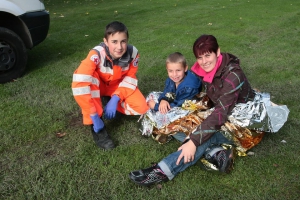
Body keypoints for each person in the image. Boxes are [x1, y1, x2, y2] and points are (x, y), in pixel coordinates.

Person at [129, 34, 255, 186]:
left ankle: (162, 171)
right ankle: (216, 153)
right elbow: (184, 81)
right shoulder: (208, 68)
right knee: (180, 125)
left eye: (207, 55)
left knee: (200, 138)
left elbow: (220, 114)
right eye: (199, 58)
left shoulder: (233, 76)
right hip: (225, 115)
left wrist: (193, 142)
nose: (203, 62)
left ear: (218, 52)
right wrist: (164, 99)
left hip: (242, 127)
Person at [72, 21, 148, 150]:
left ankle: (112, 103)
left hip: (117, 87)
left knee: (141, 108)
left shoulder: (133, 53)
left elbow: (130, 77)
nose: (119, 47)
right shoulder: (96, 54)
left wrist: (116, 98)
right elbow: (80, 84)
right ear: (106, 42)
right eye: (114, 42)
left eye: (123, 41)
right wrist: (93, 115)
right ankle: (98, 129)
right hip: (98, 87)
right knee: (91, 81)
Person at [143, 52, 201, 142]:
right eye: (171, 71)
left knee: (164, 115)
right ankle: (156, 122)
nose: (174, 74)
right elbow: (167, 90)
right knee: (151, 96)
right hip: (177, 102)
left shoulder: (190, 87)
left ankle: (168, 131)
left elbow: (180, 105)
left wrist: (156, 106)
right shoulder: (172, 78)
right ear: (167, 70)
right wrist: (163, 99)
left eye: (178, 70)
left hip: (188, 110)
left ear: (185, 68)